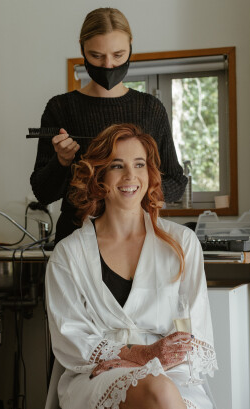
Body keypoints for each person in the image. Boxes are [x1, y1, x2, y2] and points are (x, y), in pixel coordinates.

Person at [45, 124, 231, 409]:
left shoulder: (182, 244)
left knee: (162, 388)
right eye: (117, 166)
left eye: (139, 164)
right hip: (98, 375)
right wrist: (140, 355)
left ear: (150, 173)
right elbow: (71, 340)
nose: (130, 176)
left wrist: (152, 360)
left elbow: (194, 334)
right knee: (158, 390)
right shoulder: (69, 255)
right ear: (99, 175)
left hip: (173, 373)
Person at [30, 7, 187, 244]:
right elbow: (43, 193)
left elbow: (176, 182)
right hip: (75, 238)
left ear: (130, 47)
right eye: (96, 56)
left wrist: (134, 188)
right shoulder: (60, 108)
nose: (108, 65)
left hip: (136, 238)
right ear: (82, 49)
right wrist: (61, 161)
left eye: (118, 55)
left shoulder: (150, 109)